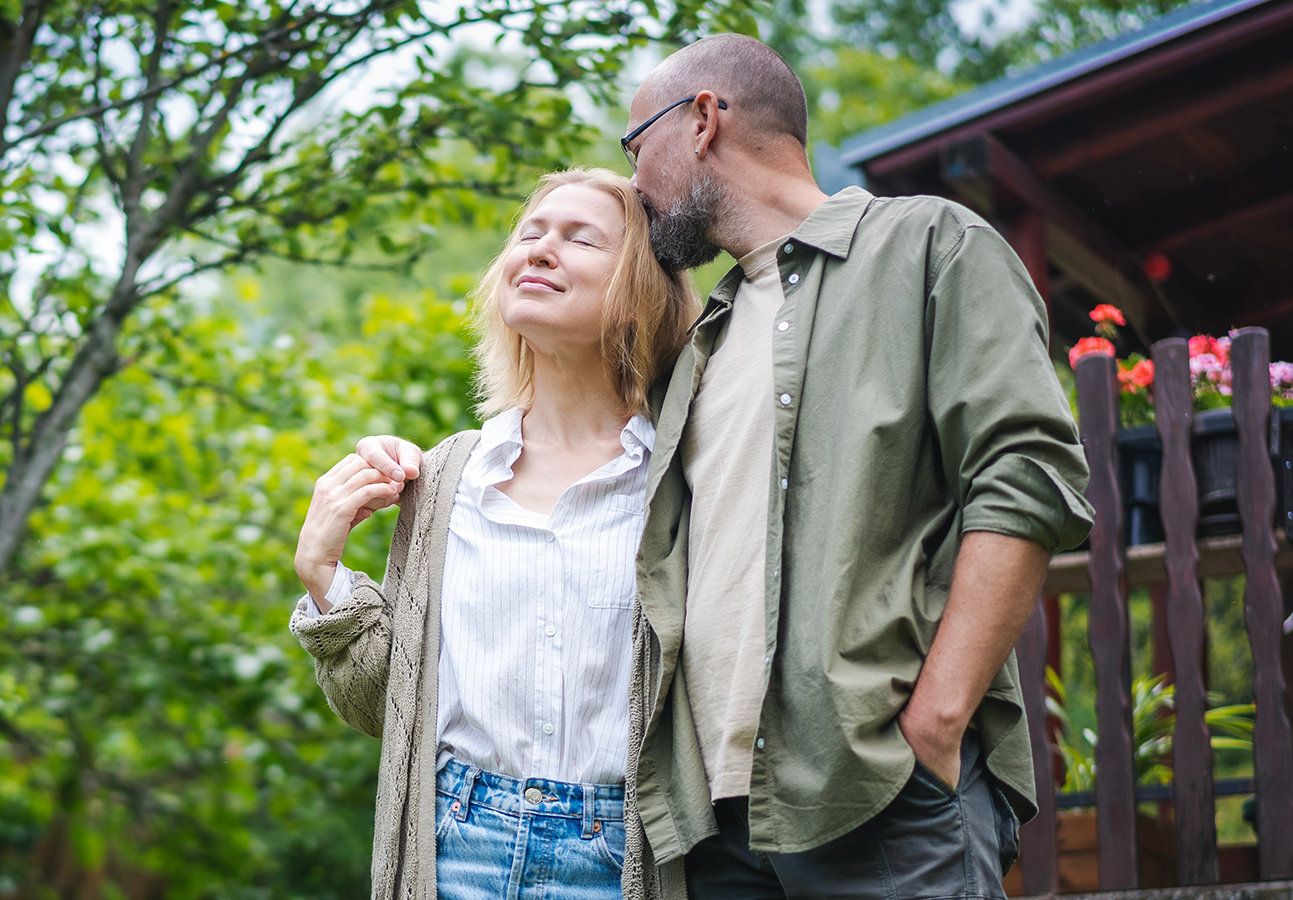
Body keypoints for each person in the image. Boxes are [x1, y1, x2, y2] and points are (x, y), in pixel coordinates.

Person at [357, 34, 1096, 900]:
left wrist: (938, 717)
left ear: (703, 119)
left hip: (880, 792)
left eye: (638, 147)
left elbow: (1029, 473)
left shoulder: (927, 247)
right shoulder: (708, 336)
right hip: (715, 830)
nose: (635, 183)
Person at [289, 166, 697, 900]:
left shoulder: (683, 476)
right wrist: (326, 575)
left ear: (641, 293)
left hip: (619, 857)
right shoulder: (446, 479)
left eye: (580, 239)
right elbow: (389, 715)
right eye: (530, 233)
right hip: (453, 848)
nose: (539, 251)